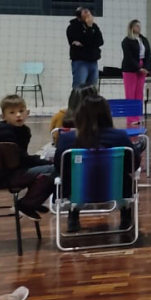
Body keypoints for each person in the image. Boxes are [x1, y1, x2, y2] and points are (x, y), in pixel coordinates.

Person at [55, 94, 136, 233]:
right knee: (126, 178)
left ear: (80, 115)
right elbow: (133, 165)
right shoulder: (120, 137)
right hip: (118, 190)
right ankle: (125, 214)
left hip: (76, 192)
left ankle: (73, 215)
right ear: (107, 114)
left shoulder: (67, 139)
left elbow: (59, 167)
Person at [0, 95, 54, 220]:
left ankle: (32, 202)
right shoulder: (9, 134)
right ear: (3, 116)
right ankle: (26, 204)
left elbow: (19, 158)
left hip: (7, 174)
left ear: (27, 112)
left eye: (21, 111)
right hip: (6, 177)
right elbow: (21, 160)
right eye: (12, 112)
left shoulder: (18, 130)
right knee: (54, 170)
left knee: (43, 169)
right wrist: (43, 161)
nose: (18, 115)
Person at [121, 19, 151, 126]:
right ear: (131, 27)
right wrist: (138, 68)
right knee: (130, 93)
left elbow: (148, 54)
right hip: (130, 68)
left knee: (139, 93)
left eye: (140, 26)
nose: (139, 28)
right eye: (137, 26)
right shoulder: (126, 41)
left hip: (142, 66)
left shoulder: (144, 40)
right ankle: (131, 118)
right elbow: (128, 57)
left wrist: (146, 67)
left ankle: (138, 116)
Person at [67, 6, 103, 88]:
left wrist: (84, 44)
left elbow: (100, 41)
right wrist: (89, 28)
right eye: (85, 12)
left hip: (93, 61)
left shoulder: (94, 26)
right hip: (80, 62)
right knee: (79, 87)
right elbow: (85, 41)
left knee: (92, 88)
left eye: (89, 12)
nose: (89, 14)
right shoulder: (72, 27)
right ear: (79, 17)